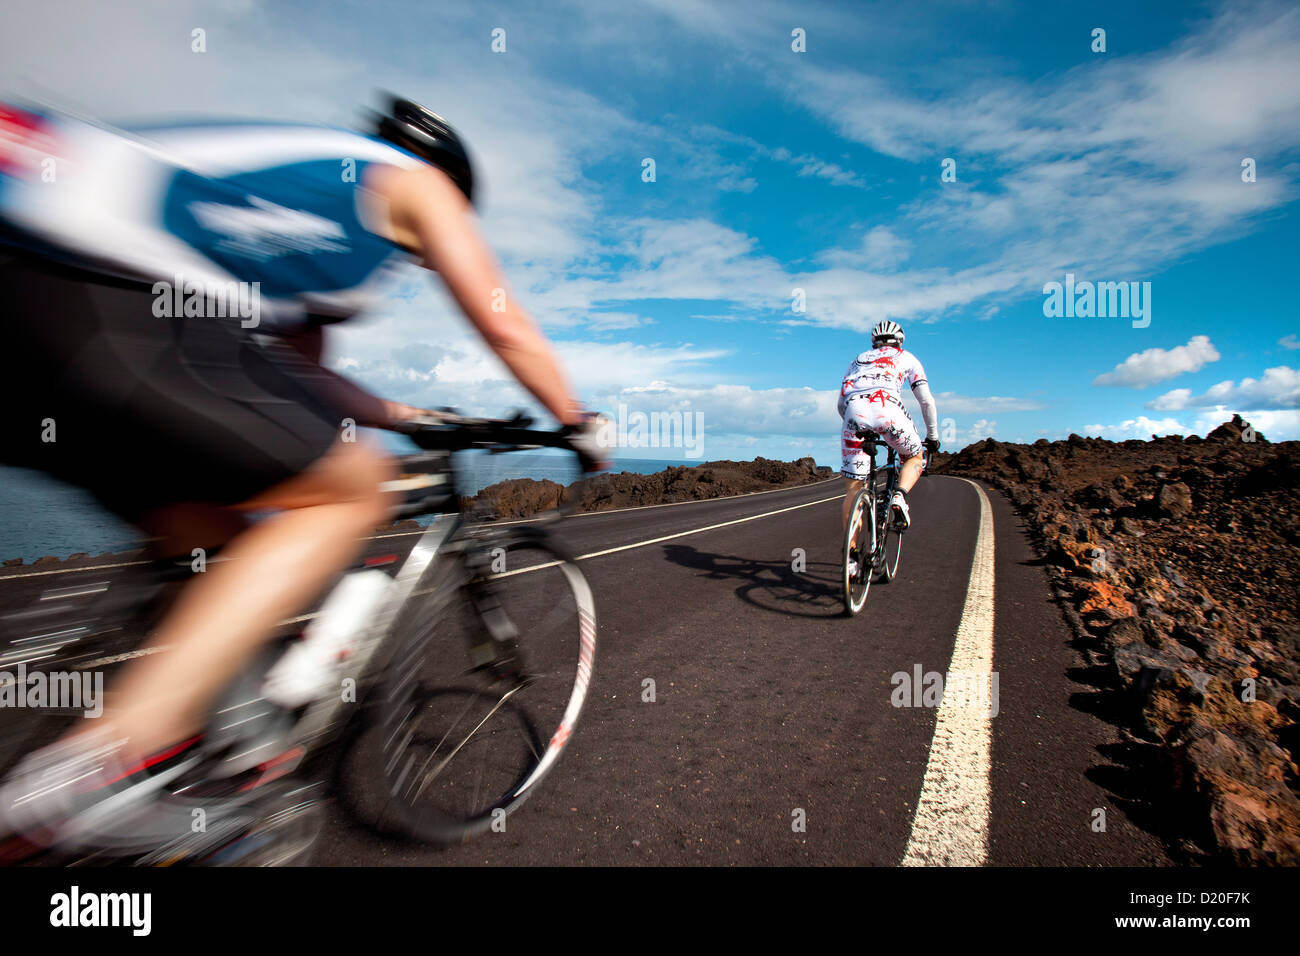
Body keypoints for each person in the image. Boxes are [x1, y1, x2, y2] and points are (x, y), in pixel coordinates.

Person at [0, 96, 605, 850]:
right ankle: (95, 773)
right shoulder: (416, 183)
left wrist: (411, 415)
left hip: (32, 315)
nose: (416, 260)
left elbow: (296, 384)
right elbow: (500, 316)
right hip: (102, 295)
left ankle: (221, 748)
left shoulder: (302, 208)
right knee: (355, 491)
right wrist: (576, 418)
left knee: (216, 537)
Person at [838, 320, 940, 574]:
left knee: (854, 487)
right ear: (900, 341)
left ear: (874, 342)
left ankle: (851, 559)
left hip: (854, 414)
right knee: (915, 457)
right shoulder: (907, 358)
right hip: (889, 411)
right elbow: (926, 401)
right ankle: (900, 495)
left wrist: (859, 426)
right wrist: (933, 436)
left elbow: (841, 403)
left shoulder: (858, 359)